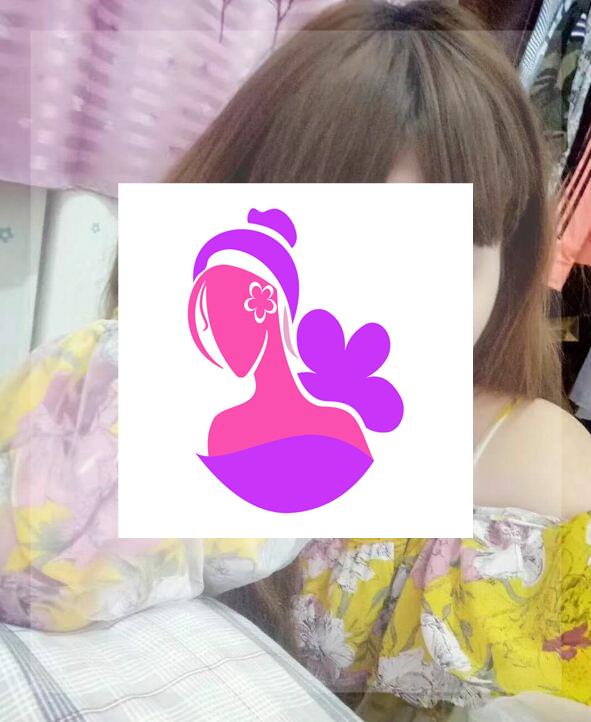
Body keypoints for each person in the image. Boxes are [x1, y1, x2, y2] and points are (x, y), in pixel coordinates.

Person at [0, 0, 590, 716]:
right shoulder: (158, 389)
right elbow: (38, 574)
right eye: (334, 243)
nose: (372, 304)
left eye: (435, 259)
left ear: (505, 265)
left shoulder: (532, 474)